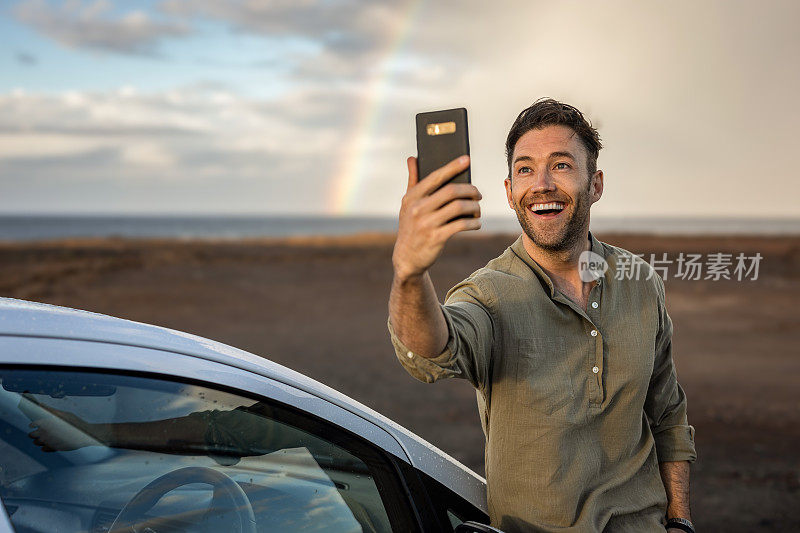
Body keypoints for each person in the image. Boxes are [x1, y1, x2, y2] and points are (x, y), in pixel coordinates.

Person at [387, 98, 696, 532]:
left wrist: (680, 522)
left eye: (562, 166)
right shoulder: (489, 293)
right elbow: (433, 350)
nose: (543, 184)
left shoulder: (640, 282)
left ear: (596, 185)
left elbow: (668, 415)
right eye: (526, 169)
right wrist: (410, 274)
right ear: (511, 191)